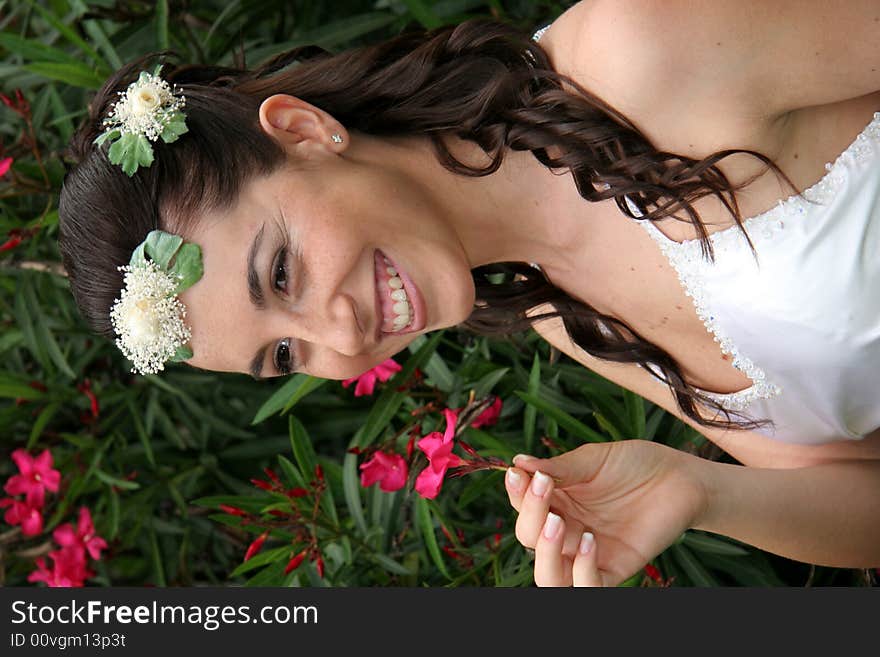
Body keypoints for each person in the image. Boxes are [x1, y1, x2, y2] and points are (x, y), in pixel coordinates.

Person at [58, 0, 880, 586]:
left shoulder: (647, 51)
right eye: (284, 353)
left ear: (304, 131)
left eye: (281, 273)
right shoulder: (564, 314)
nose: (339, 337)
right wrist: (701, 489)